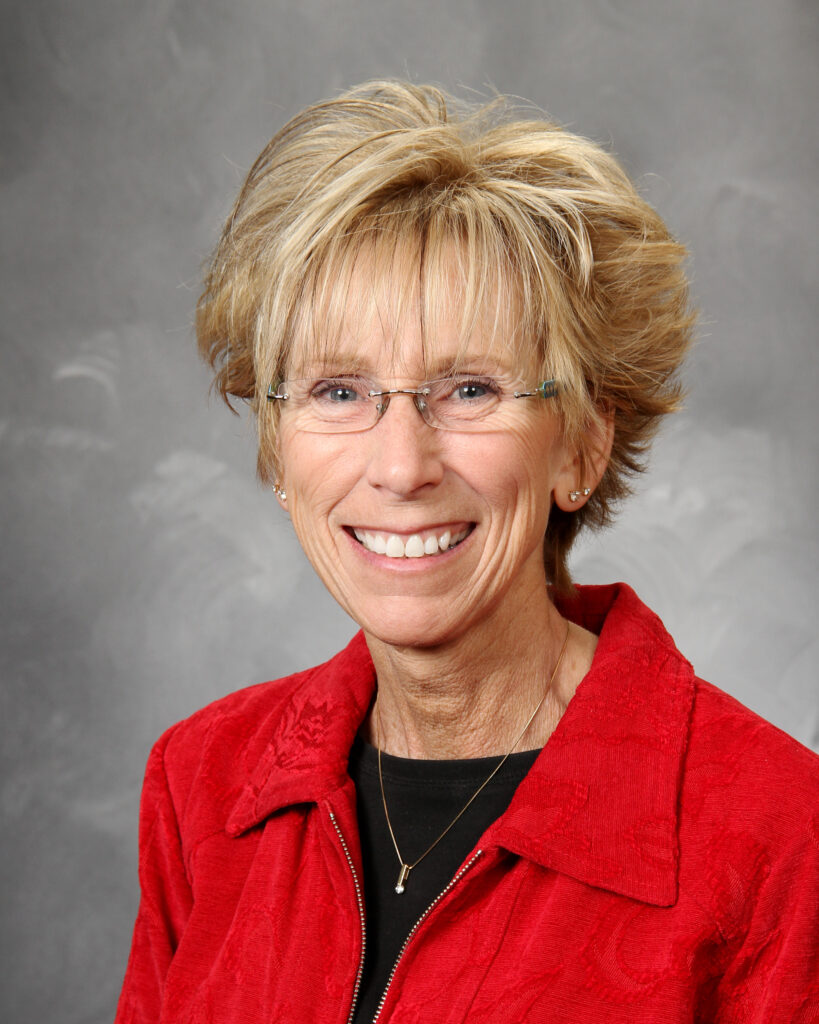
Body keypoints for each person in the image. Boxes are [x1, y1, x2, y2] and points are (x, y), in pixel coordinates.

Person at [115, 81, 819, 1023]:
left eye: (468, 390)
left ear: (580, 445)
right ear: (277, 447)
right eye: (336, 390)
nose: (401, 466)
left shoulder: (779, 836)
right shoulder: (202, 785)